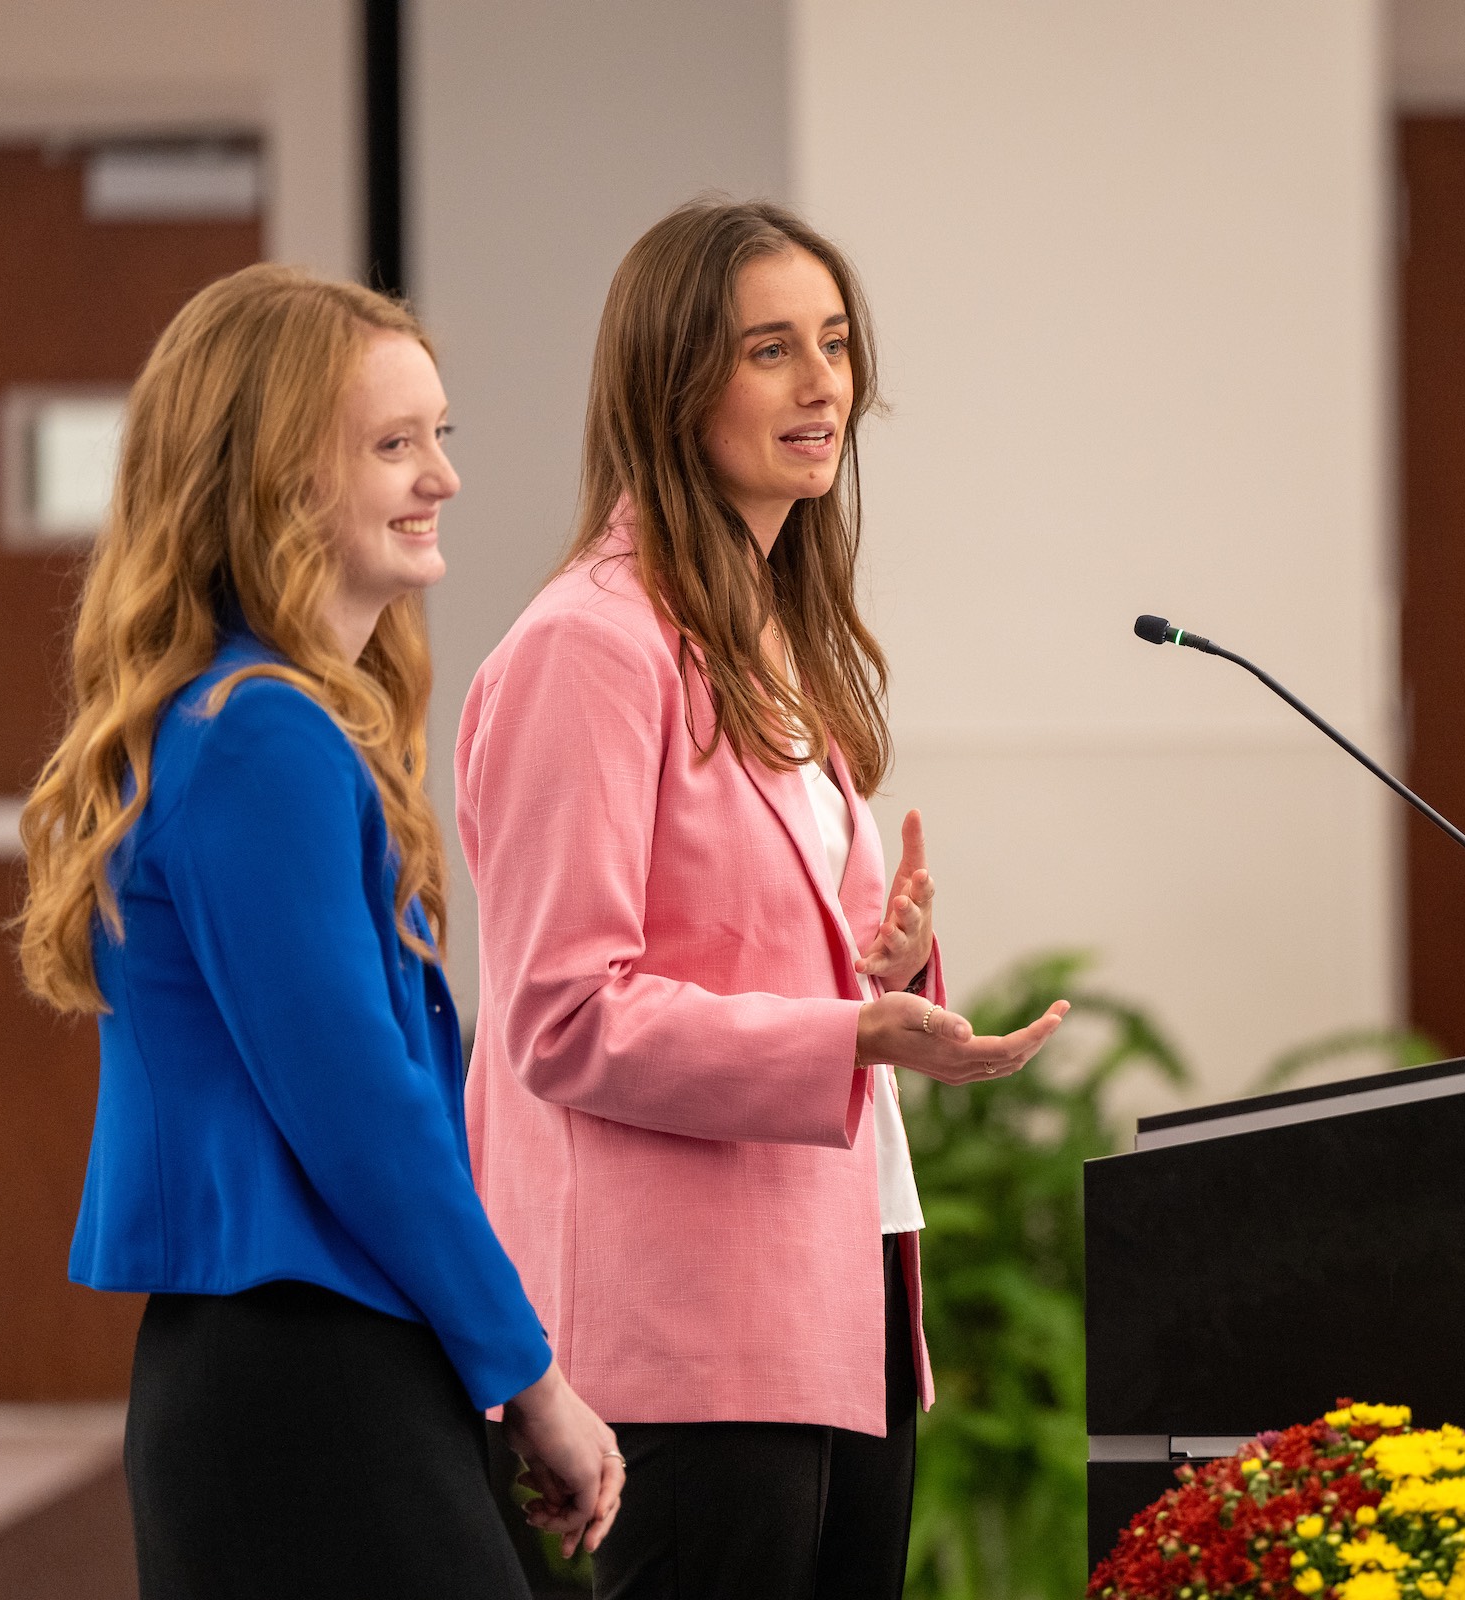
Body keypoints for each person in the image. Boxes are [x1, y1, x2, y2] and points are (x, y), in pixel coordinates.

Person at [455, 199, 1069, 1600]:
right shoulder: (590, 649)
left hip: (841, 1281)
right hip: (683, 1322)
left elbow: (760, 948)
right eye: (772, 350)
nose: (824, 384)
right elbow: (563, 1015)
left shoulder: (772, 636)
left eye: (838, 345)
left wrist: (888, 968)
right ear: (676, 389)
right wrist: (844, 1036)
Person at [13, 265, 623, 1598]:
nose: (442, 477)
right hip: (302, 1373)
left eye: (439, 435)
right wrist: (531, 1378)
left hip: (295, 1363)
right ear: (277, 477)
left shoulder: (247, 720)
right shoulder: (262, 738)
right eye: (393, 445)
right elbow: (364, 1112)